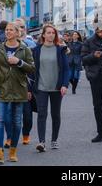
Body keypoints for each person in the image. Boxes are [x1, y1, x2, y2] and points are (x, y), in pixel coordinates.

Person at [0, 22, 35, 164]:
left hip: (19, 89)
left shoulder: (24, 49)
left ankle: (13, 151)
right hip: (0, 88)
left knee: (17, 121)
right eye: (6, 30)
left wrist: (19, 62)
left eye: (11, 30)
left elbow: (32, 68)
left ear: (17, 32)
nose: (8, 32)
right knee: (0, 120)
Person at [32, 24, 69, 152]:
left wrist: (64, 84)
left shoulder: (60, 50)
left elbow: (65, 69)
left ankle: (54, 140)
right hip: (41, 87)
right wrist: (30, 87)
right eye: (48, 33)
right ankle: (41, 142)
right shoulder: (36, 50)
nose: (51, 35)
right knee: (42, 114)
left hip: (57, 88)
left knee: (55, 114)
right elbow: (33, 70)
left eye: (53, 33)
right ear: (43, 35)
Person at [15, 18, 37, 146]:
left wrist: (30, 88)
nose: (21, 30)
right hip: (12, 85)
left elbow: (33, 68)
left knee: (27, 115)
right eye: (18, 27)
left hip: (27, 84)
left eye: (23, 27)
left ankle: (26, 133)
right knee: (12, 115)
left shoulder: (31, 45)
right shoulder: (6, 45)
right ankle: (11, 137)